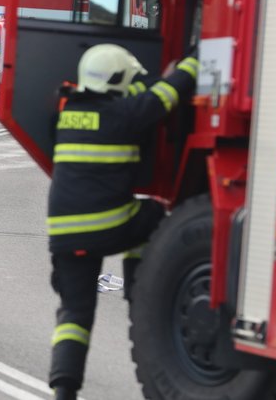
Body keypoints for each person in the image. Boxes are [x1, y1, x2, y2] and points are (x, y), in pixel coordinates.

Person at [46, 44, 198, 399]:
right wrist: (195, 58)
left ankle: (64, 388)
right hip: (111, 224)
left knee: (75, 313)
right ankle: (138, 290)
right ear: (117, 80)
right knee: (156, 216)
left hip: (65, 236)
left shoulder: (65, 113)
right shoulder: (125, 115)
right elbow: (167, 94)